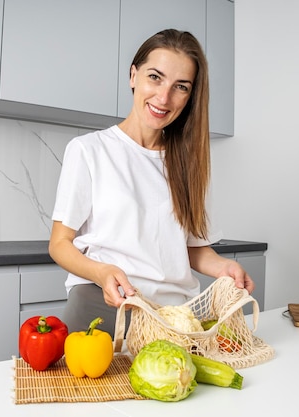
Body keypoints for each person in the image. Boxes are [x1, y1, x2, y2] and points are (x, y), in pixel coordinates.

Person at [48, 29, 254, 337]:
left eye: (180, 87)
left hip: (176, 319)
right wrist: (101, 272)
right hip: (104, 311)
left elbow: (192, 250)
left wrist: (223, 268)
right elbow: (59, 243)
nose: (164, 97)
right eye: (155, 77)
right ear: (133, 75)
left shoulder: (190, 164)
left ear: (190, 96)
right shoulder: (89, 150)